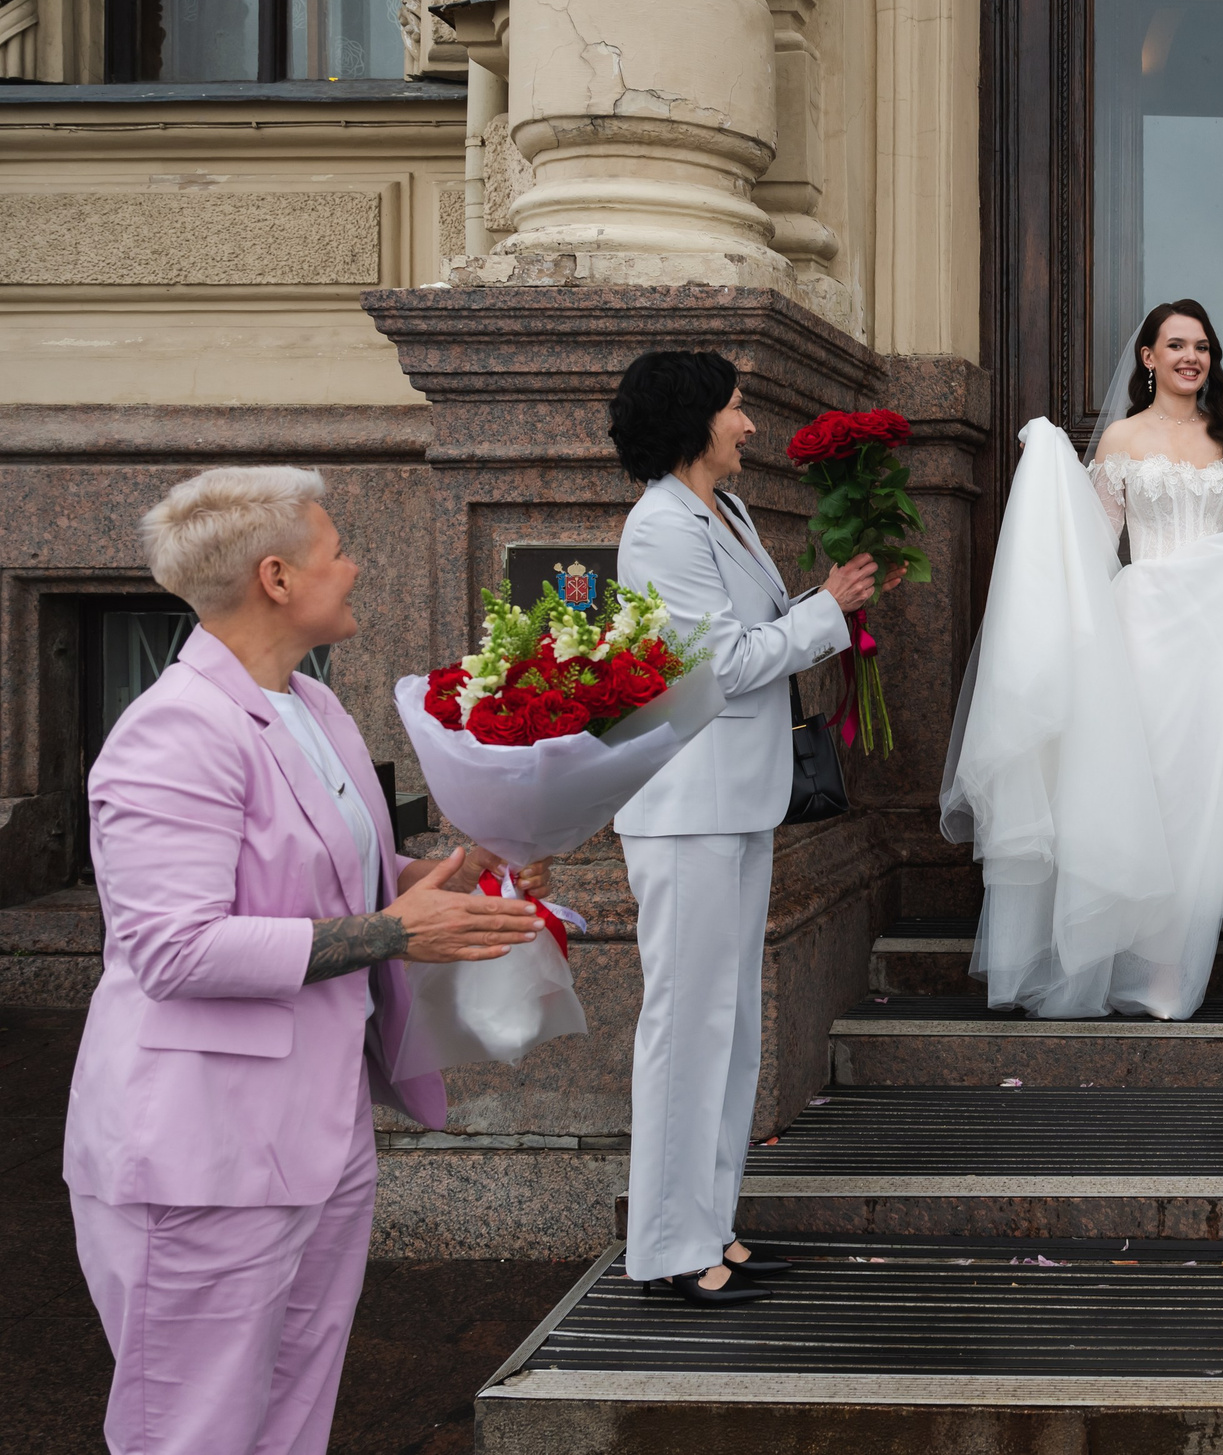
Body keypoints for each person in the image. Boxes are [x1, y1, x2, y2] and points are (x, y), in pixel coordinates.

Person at [70, 466, 548, 1454]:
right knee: (191, 1428)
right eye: (336, 550)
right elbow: (174, 947)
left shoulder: (313, 707)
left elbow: (346, 873)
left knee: (292, 1414)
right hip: (202, 1151)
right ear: (277, 577)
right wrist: (394, 932)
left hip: (317, 1131)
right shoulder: (173, 730)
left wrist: (458, 868)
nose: (355, 565)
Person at [609, 351, 890, 1306]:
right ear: (695, 420)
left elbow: (754, 627)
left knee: (725, 1028)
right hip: (688, 807)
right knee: (687, 1027)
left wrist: (820, 606)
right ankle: (666, 1248)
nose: (751, 426)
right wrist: (829, 611)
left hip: (735, 799)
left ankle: (708, 1228)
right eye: (737, 410)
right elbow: (718, 666)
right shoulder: (660, 528)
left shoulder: (720, 510)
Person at [946, 299, 1223, 1020]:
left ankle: (1170, 970)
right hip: (1141, 629)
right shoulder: (1119, 438)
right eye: (1175, 344)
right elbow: (1092, 542)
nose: (1190, 357)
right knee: (1143, 793)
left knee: (1197, 794)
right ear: (1147, 357)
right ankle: (1115, 958)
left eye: (1202, 345)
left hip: (1214, 638)